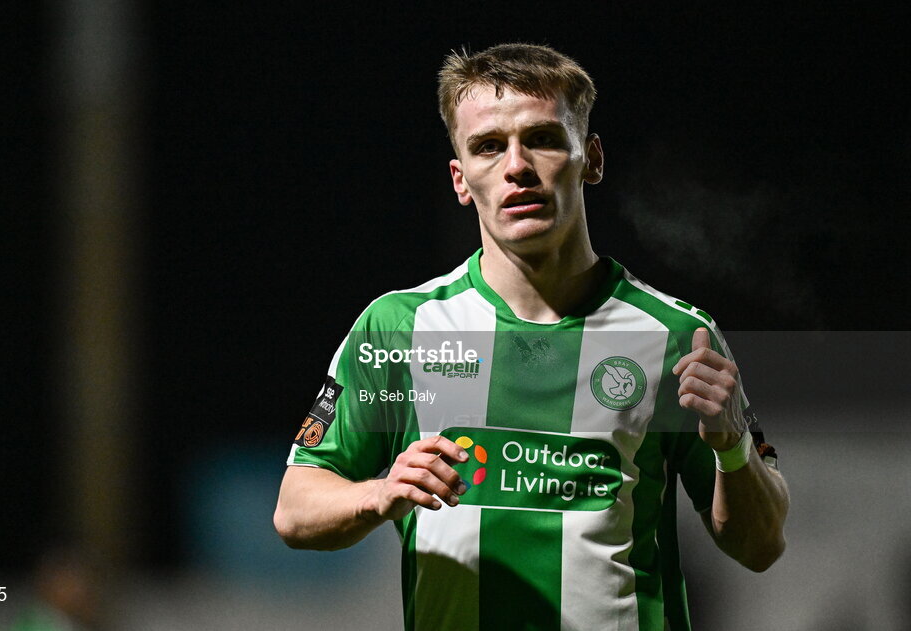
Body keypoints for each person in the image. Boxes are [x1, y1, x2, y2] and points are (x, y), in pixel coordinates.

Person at [274, 43, 789, 631]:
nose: (516, 165)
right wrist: (379, 492)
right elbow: (295, 508)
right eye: (488, 147)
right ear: (461, 179)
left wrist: (733, 448)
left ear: (591, 158)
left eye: (542, 138)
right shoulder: (398, 328)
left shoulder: (677, 336)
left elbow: (762, 545)